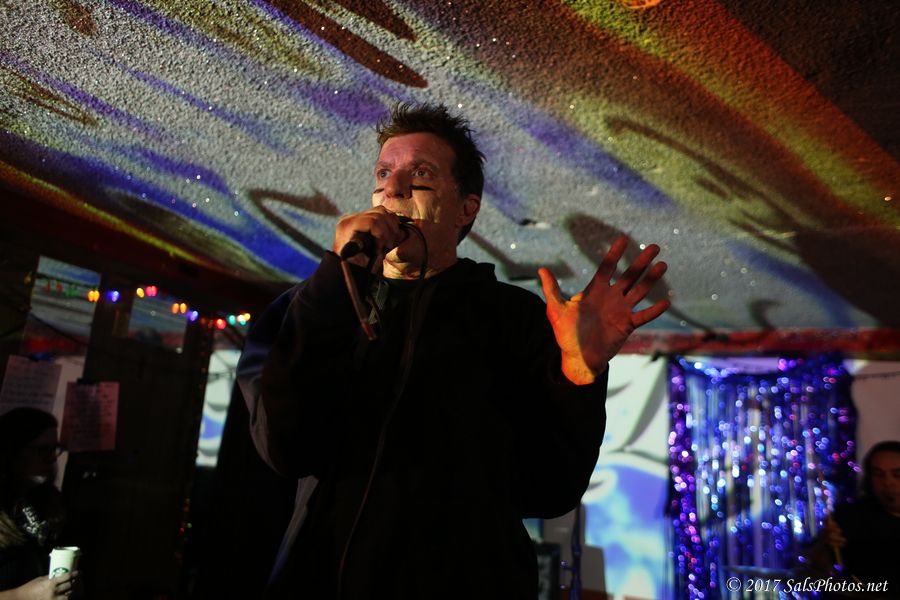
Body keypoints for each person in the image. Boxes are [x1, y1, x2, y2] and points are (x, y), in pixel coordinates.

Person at [237, 103, 669, 598]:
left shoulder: (515, 318)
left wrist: (576, 377)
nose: (393, 190)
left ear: (466, 208)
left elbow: (549, 489)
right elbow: (285, 448)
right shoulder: (309, 305)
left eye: (420, 174)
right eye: (383, 174)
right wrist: (338, 283)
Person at [805, 440, 900, 595]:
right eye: (878, 474)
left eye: (897, 474)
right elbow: (814, 569)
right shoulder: (850, 517)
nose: (888, 483)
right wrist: (825, 544)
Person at [0, 408, 77, 599]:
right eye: (42, 449)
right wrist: (19, 596)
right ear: (12, 451)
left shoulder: (48, 501)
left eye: (55, 449)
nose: (52, 458)